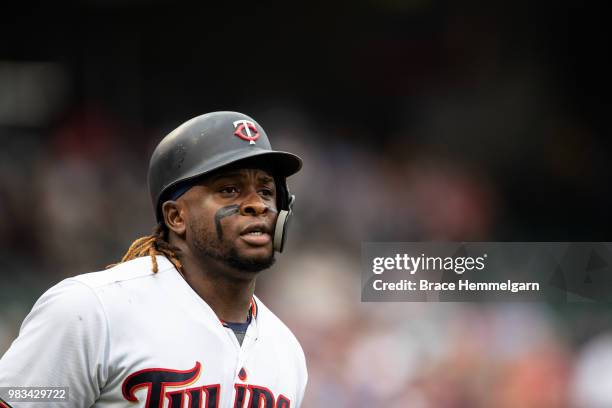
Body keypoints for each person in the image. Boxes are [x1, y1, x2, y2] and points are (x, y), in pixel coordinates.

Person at [0, 111, 307, 408]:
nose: (257, 204)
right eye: (229, 190)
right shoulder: (92, 311)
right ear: (176, 217)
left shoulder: (286, 351)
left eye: (266, 191)